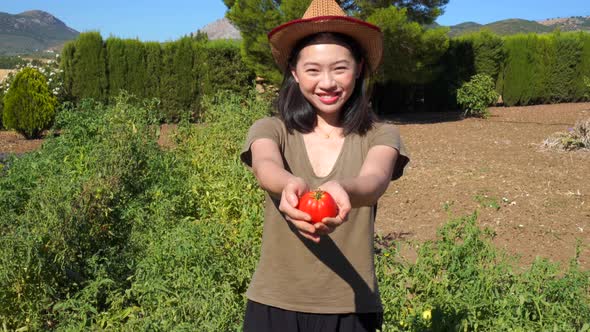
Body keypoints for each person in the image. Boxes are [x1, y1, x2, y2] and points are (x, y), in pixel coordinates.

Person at [239, 0, 410, 331]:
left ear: (359, 67)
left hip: (351, 308)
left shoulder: (381, 135)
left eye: (340, 68)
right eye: (313, 70)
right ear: (294, 72)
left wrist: (343, 188)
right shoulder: (271, 129)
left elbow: (374, 179)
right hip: (274, 304)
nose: (327, 83)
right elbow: (265, 164)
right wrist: (288, 184)